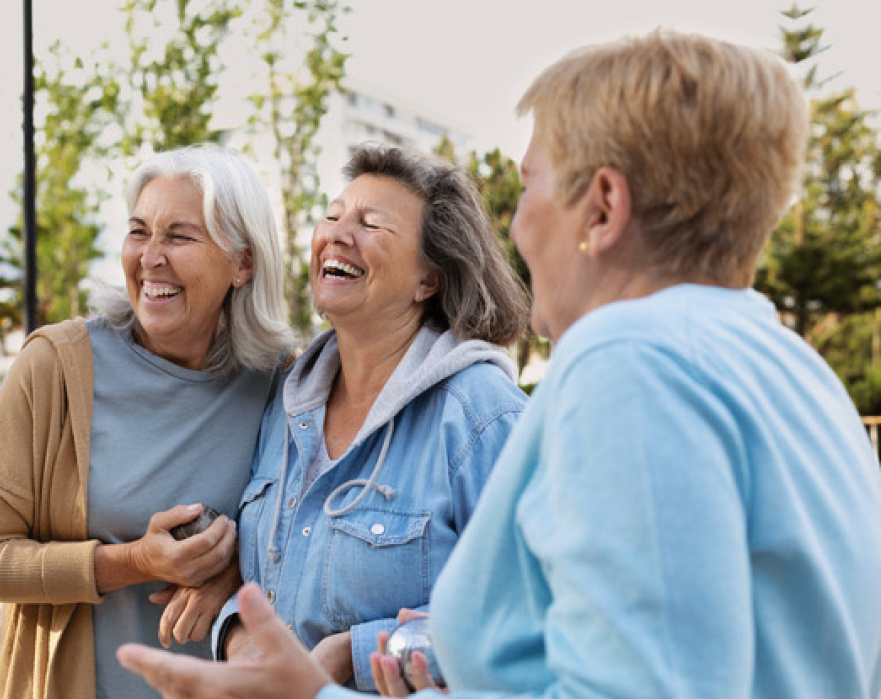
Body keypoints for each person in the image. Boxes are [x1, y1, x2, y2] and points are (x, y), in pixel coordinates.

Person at [117, 30, 881, 699]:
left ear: (601, 208)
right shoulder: (793, 369)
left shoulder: (630, 364)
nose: (513, 226)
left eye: (528, 184)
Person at [0, 143, 295, 699]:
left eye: (179, 236)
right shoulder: (56, 366)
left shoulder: (282, 383)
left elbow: (308, 547)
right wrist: (133, 561)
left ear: (243, 263)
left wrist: (234, 575)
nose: (151, 257)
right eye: (139, 231)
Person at [190, 143, 530, 692]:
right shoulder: (283, 404)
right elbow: (261, 578)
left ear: (428, 279)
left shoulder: (484, 418)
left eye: (370, 224)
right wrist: (237, 631)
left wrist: (355, 654)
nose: (338, 234)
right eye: (332, 216)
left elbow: (532, 612)